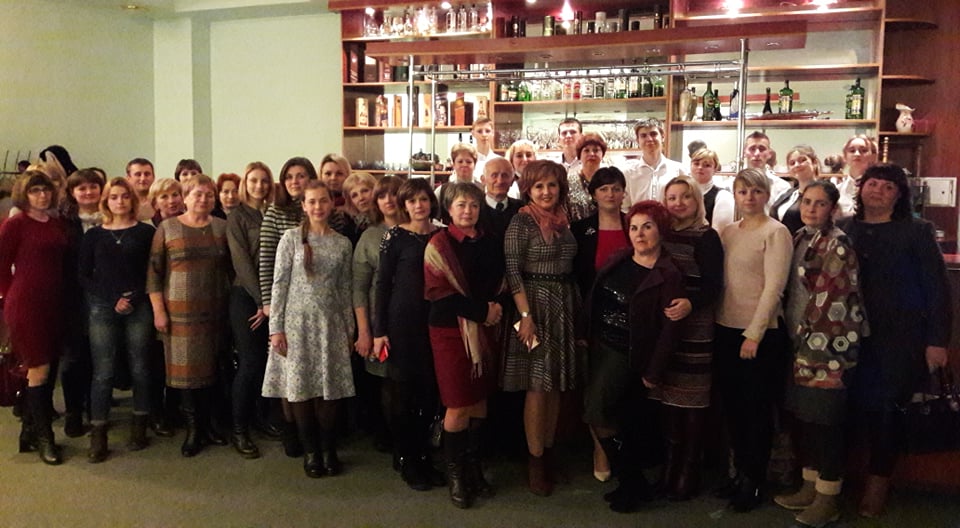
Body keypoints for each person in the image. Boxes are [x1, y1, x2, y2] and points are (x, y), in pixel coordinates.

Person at [839, 163, 951, 518]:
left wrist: (937, 341)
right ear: (861, 188)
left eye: (888, 187)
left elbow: (937, 289)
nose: (878, 191)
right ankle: (835, 485)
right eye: (873, 183)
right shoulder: (844, 227)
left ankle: (877, 487)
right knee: (847, 411)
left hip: (898, 340)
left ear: (899, 196)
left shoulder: (917, 231)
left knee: (887, 413)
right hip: (847, 338)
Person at [582, 200, 685, 513]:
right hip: (599, 345)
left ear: (660, 230)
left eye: (647, 227)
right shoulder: (620, 258)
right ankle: (632, 482)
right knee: (615, 416)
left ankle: (631, 479)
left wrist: (654, 371)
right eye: (635, 227)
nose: (640, 234)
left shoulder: (668, 273)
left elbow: (670, 330)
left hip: (627, 354)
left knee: (597, 412)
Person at [773, 180, 865, 527]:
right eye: (807, 201)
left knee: (826, 422)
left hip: (828, 348)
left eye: (820, 203)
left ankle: (828, 498)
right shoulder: (800, 237)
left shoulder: (838, 243)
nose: (811, 209)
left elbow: (836, 301)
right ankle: (810, 485)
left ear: (833, 209)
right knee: (806, 418)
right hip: (800, 343)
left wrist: (808, 337)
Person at [264, 181, 355, 478]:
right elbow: (279, 284)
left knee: (329, 390)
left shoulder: (342, 243)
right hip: (295, 325)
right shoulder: (290, 239)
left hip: (330, 325)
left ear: (331, 203)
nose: (318, 207)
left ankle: (328, 449)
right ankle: (311, 451)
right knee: (301, 388)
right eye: (312, 201)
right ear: (303, 205)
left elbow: (345, 288)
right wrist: (276, 328)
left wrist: (349, 328)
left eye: (323, 201)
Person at [714, 168, 792, 512]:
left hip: (759, 334)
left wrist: (754, 334)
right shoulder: (729, 232)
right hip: (725, 328)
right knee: (733, 410)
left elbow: (774, 288)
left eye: (756, 191)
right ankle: (740, 473)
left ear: (766, 195)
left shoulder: (776, 232)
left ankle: (755, 480)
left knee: (756, 411)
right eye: (743, 191)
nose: (749, 197)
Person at [424, 182, 506, 508]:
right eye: (461, 205)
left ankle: (473, 468)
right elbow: (438, 294)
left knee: (479, 399)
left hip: (485, 330)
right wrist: (483, 312)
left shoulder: (490, 242)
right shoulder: (438, 244)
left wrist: (494, 309)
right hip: (449, 331)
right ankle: (456, 474)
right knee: (458, 403)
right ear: (449, 209)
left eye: (473, 205)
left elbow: (502, 283)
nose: (468, 211)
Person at [502, 160, 579, 497]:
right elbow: (512, 271)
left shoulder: (564, 219)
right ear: (528, 190)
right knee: (537, 386)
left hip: (564, 302)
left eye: (552, 185)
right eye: (539, 186)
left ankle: (548, 453)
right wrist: (525, 315)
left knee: (556, 384)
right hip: (533, 304)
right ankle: (534, 461)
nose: (546, 192)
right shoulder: (521, 221)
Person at [147, 174, 230, 458]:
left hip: (214, 310)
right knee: (185, 373)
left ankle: (209, 425)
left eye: (209, 194)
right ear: (185, 197)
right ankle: (193, 429)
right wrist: (159, 311)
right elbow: (154, 274)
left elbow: (232, 270)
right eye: (197, 194)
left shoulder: (222, 227)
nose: (203, 199)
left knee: (212, 369)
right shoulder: (167, 228)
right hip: (178, 312)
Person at [655, 175, 724, 500]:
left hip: (695, 327)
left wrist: (691, 303)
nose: (678, 203)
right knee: (668, 399)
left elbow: (713, 285)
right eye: (672, 197)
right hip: (667, 329)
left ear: (697, 201)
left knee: (692, 400)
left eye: (685, 197)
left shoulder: (707, 237)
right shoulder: (662, 234)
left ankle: (689, 469)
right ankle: (670, 465)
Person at [79, 177, 157, 462]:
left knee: (140, 367)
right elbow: (84, 275)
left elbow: (153, 271)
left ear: (132, 200)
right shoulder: (94, 235)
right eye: (114, 197)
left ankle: (140, 423)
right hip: (103, 306)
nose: (120, 201)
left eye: (125, 196)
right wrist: (114, 299)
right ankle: (98, 432)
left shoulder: (146, 232)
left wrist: (132, 298)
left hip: (139, 304)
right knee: (103, 370)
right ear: (106, 201)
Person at [373, 178, 443, 491]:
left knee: (429, 394)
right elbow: (382, 284)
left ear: (431, 202)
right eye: (412, 201)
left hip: (435, 322)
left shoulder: (441, 234)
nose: (418, 205)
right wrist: (379, 331)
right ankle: (406, 458)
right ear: (404, 205)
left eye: (423, 199)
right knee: (403, 394)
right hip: (402, 324)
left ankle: (423, 455)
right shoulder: (395, 237)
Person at [0, 171, 69, 464]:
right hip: (26, 304)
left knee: (47, 369)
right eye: (35, 191)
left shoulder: (56, 223)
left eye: (45, 190)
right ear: (24, 194)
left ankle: (28, 432)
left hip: (55, 303)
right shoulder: (15, 224)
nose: (42, 195)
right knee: (38, 368)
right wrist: (9, 298)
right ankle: (45, 438)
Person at [570, 166, 629, 483]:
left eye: (616, 188)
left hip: (630, 322)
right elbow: (574, 277)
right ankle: (599, 449)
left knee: (621, 389)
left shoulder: (634, 223)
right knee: (595, 386)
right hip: (592, 319)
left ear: (623, 193)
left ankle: (623, 450)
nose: (610, 194)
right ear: (593, 194)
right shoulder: (581, 229)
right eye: (604, 188)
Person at [258, 156, 317, 457]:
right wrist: (269, 304)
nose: (295, 181)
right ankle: (290, 429)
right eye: (290, 176)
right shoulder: (275, 211)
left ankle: (314, 431)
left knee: (311, 371)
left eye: (301, 175)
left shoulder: (322, 210)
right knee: (288, 371)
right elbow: (267, 260)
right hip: (286, 304)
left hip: (317, 307)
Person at [225, 161, 275, 459]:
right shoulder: (237, 216)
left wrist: (270, 302)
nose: (259, 185)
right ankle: (239, 428)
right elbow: (241, 262)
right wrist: (261, 301)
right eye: (254, 180)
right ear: (246, 183)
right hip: (247, 298)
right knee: (250, 363)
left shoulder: (273, 212)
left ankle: (260, 418)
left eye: (264, 180)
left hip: (271, 300)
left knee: (268, 363)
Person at [352, 175, 403, 453]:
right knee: (386, 380)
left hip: (412, 318)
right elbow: (359, 288)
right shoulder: (369, 237)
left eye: (393, 193)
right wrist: (364, 331)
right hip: (378, 318)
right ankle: (390, 436)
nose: (388, 200)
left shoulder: (419, 229)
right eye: (382, 195)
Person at [58, 168, 105, 439]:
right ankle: (73, 411)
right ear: (72, 192)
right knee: (73, 357)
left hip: (103, 296)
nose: (88, 192)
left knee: (96, 355)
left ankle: (92, 408)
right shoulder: (64, 222)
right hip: (73, 297)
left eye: (93, 187)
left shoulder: (110, 218)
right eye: (82, 188)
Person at [621, 118, 685, 210]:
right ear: (638, 141)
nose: (649, 139)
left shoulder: (679, 171)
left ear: (663, 137)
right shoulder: (628, 174)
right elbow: (624, 207)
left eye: (653, 134)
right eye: (643, 136)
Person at [771, 145, 821, 235]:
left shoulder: (825, 194)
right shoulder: (786, 194)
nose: (797, 165)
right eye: (792, 163)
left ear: (814, 162)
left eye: (802, 160)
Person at [689, 148, 735, 232]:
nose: (700, 167)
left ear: (715, 169)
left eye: (707, 165)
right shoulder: (681, 192)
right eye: (696, 164)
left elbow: (719, 233)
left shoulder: (723, 196)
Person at [477, 157, 523, 240]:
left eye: (505, 175)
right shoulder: (474, 209)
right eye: (494, 175)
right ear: (483, 180)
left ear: (512, 181)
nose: (500, 181)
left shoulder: (522, 209)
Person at [567, 132, 608, 223]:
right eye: (586, 150)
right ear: (579, 155)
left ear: (602, 154)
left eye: (596, 150)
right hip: (577, 229)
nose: (592, 154)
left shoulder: (610, 180)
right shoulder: (568, 181)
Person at [743, 131, 792, 206]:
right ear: (744, 153)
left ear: (769, 154)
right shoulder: (729, 186)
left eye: (762, 149)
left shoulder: (783, 187)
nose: (757, 153)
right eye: (752, 149)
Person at [835, 135, 878, 216]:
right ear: (845, 157)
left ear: (873, 156)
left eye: (863, 150)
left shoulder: (879, 191)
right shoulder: (836, 191)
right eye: (852, 150)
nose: (857, 154)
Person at [437, 143, 480, 224]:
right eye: (460, 161)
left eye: (468, 162)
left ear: (475, 165)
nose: (464, 164)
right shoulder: (442, 190)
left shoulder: (482, 189)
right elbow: (434, 218)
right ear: (453, 164)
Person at [342, 171, 377, 238]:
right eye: (354, 195)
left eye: (365, 191)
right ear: (350, 202)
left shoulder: (389, 218)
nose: (361, 198)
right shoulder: (349, 229)